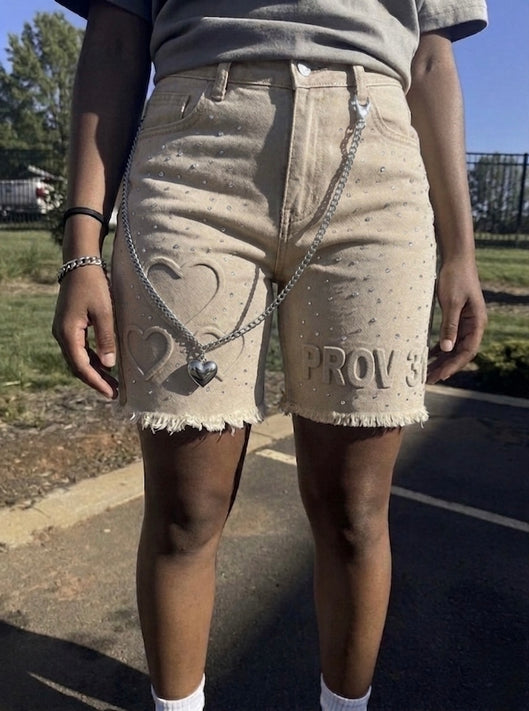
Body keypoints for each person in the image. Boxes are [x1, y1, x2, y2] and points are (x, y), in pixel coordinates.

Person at [53, 1, 488, 709]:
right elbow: (114, 39)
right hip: (194, 157)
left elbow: (433, 57)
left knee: (355, 512)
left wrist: (460, 249)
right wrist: (80, 246)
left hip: (375, 163)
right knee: (185, 510)